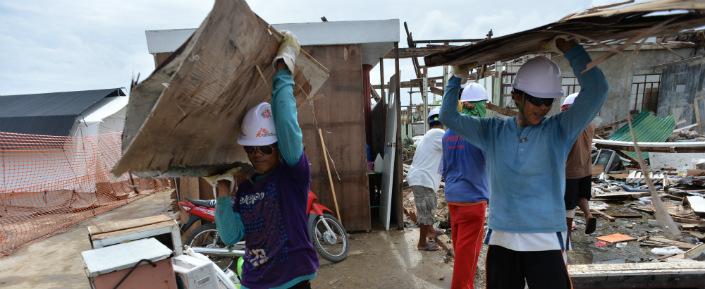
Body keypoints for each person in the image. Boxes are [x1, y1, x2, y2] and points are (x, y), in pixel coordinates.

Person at [439, 37, 608, 289]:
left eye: (547, 101)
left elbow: (597, 89)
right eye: (535, 100)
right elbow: (448, 115)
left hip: (546, 240)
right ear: (516, 96)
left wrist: (573, 51)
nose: (542, 107)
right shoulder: (492, 131)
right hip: (502, 239)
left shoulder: (559, 130)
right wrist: (457, 78)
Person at [208, 31, 318, 289]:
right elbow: (231, 235)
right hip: (254, 281)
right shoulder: (246, 185)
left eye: (265, 148)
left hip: (291, 280)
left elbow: (287, 123)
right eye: (251, 149)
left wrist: (282, 70)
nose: (256, 154)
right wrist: (223, 191)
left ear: (279, 148)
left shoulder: (292, 175)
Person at [440, 82, 490, 289]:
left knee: (460, 248)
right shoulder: (479, 132)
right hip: (473, 200)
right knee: (468, 255)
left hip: (453, 197)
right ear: (480, 105)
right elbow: (494, 165)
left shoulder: (448, 134)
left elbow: (445, 169)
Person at [406, 107, 445, 251]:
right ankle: (422, 243)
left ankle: (430, 231)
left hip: (422, 178)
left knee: (429, 207)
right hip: (423, 179)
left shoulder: (429, 134)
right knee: (426, 211)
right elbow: (454, 148)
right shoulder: (439, 134)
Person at [561, 92, 597, 238]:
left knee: (568, 207)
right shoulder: (590, 123)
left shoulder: (567, 124)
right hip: (586, 169)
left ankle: (566, 237)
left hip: (569, 170)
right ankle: (588, 215)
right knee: (582, 196)